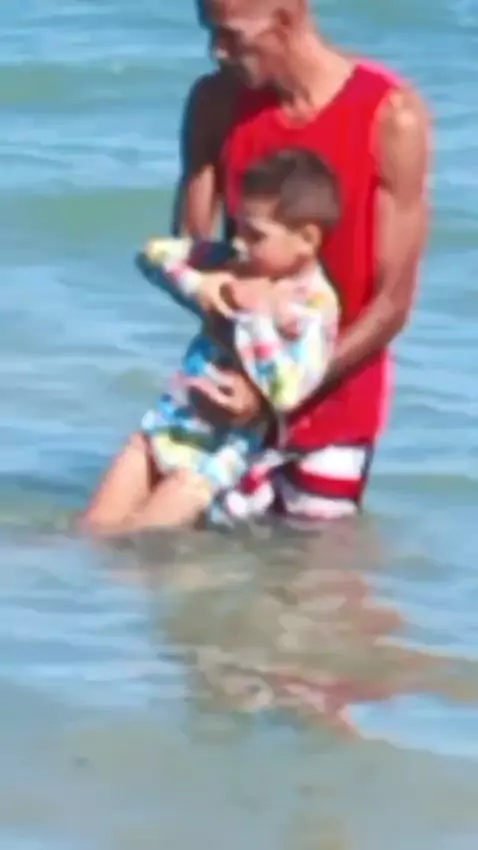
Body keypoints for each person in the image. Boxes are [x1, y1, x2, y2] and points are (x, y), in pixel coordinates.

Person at [81, 0, 430, 531]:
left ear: (286, 20)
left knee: (317, 578)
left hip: (335, 415)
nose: (216, 52)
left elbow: (391, 304)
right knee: (177, 569)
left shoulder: (389, 116)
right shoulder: (216, 102)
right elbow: (194, 252)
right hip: (223, 398)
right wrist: (230, 331)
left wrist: (271, 396)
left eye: (230, 36)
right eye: (209, 34)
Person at [84, 149, 340, 534]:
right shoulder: (230, 262)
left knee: (134, 543)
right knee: (92, 532)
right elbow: (151, 256)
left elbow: (287, 393)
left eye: (256, 235)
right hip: (165, 425)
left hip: (212, 463)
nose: (242, 243)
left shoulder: (312, 305)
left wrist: (256, 316)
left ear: (307, 239)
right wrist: (200, 285)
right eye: (238, 228)